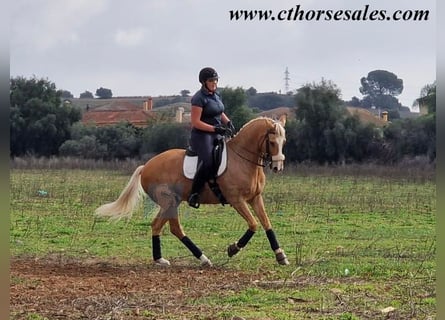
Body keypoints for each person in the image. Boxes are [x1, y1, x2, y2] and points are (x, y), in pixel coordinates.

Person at [187, 67, 235, 208]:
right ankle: (194, 193)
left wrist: (228, 122)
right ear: (203, 82)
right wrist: (214, 128)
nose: (214, 83)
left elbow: (219, 112)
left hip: (217, 132)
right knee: (208, 162)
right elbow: (195, 122)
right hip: (202, 135)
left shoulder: (216, 95)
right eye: (211, 80)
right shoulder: (198, 98)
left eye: (216, 80)